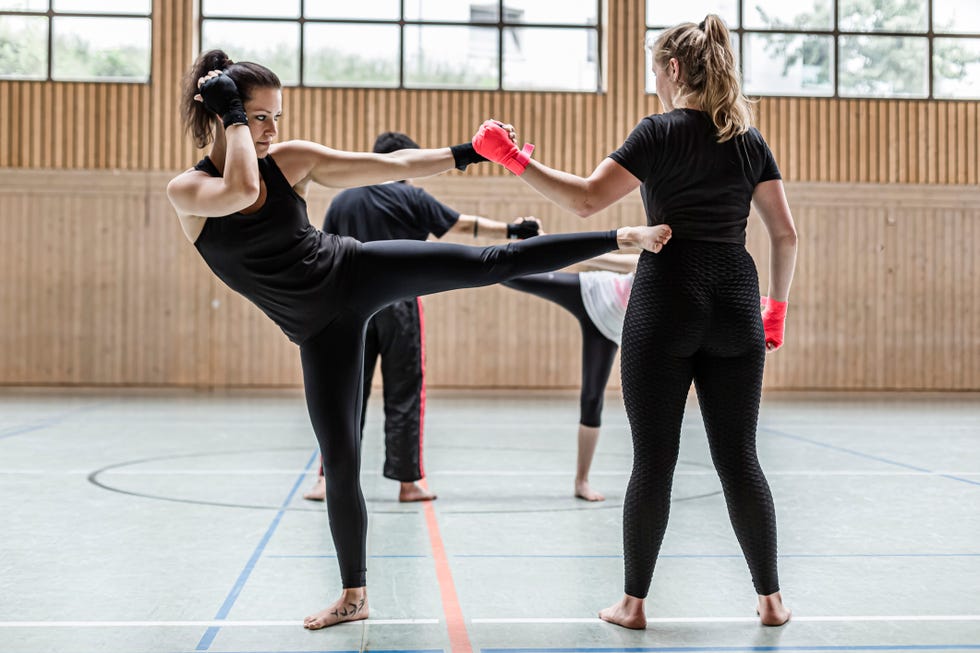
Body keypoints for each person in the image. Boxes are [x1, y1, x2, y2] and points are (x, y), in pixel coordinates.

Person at [166, 50, 672, 630]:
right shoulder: (189, 192)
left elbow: (390, 164)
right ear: (223, 116)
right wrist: (229, 112)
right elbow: (238, 190)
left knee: (487, 262)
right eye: (259, 118)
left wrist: (466, 153)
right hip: (316, 330)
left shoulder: (290, 160)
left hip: (352, 271)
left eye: (277, 116)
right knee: (341, 460)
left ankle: (620, 236)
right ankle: (353, 596)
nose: (273, 131)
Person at [470, 14, 797, 629]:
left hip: (668, 297)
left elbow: (587, 198)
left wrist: (512, 158)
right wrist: (774, 310)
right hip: (735, 298)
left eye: (655, 71)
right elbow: (785, 233)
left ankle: (632, 604)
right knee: (740, 457)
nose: (655, 83)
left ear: (673, 69)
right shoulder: (750, 141)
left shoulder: (659, 132)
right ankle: (771, 601)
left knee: (654, 459)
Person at [303, 130, 542, 504]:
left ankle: (325, 481)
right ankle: (407, 483)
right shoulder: (412, 196)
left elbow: (326, 253)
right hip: (399, 306)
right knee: (405, 393)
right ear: (405, 163)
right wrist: (512, 230)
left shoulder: (344, 198)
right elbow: (462, 226)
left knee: (345, 396)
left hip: (347, 309)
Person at [501, 251, 638, 502]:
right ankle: (464, 266)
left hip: (607, 329)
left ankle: (581, 481)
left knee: (592, 399)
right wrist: (560, 248)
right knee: (511, 275)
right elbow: (618, 260)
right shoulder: (656, 257)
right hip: (593, 291)